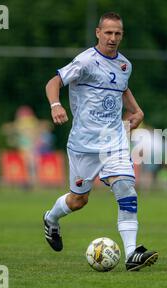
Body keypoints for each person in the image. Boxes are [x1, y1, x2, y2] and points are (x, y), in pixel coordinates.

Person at [43, 12, 158, 272]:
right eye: (108, 32)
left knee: (125, 187)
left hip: (113, 141)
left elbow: (122, 86)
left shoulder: (125, 65)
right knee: (78, 200)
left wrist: (136, 110)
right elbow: (54, 82)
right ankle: (51, 218)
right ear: (98, 32)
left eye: (117, 33)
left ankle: (132, 254)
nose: (113, 38)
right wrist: (55, 104)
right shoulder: (85, 61)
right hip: (83, 145)